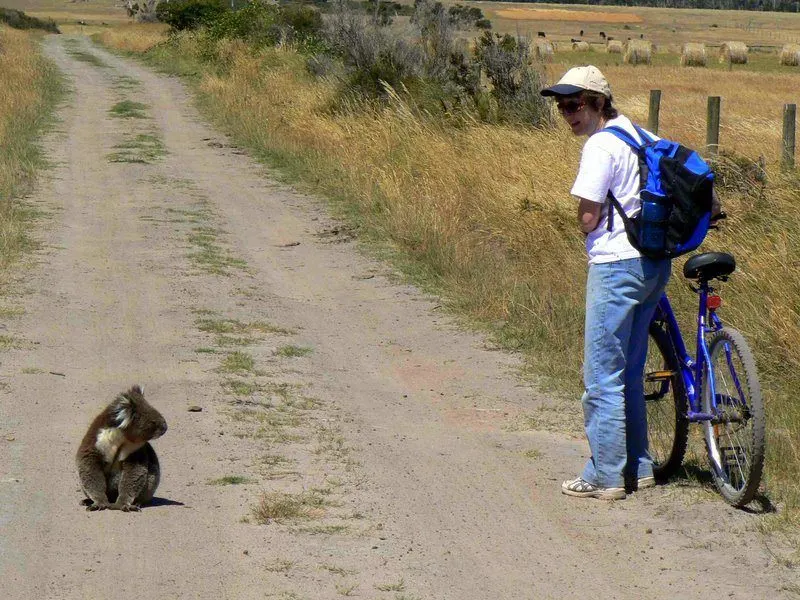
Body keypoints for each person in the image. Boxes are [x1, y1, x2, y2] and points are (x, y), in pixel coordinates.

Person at [540, 66, 672, 500]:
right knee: (629, 371)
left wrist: (584, 227)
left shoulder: (600, 146)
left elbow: (587, 217)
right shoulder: (640, 135)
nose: (567, 113)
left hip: (615, 267)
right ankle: (640, 465)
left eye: (574, 104)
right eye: (561, 106)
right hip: (652, 266)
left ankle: (605, 475)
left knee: (601, 377)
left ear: (598, 102)